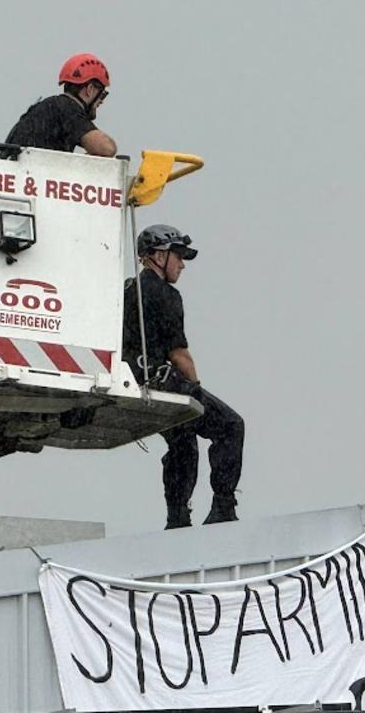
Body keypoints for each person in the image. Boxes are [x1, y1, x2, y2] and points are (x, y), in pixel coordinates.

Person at [122, 224, 244, 529]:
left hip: (131, 381)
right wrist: (195, 390)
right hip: (163, 382)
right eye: (178, 256)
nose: (182, 264)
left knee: (183, 440)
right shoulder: (166, 294)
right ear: (159, 256)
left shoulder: (127, 291)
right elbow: (179, 354)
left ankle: (177, 517)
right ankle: (223, 507)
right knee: (230, 425)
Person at [4, 53, 117, 156]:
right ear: (90, 89)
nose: (101, 101)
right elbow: (107, 148)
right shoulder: (67, 108)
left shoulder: (49, 108)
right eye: (102, 94)